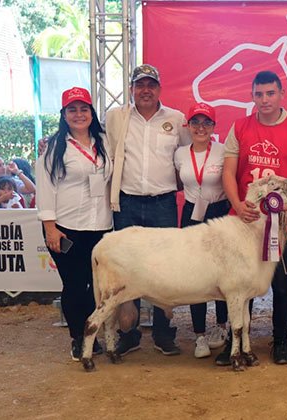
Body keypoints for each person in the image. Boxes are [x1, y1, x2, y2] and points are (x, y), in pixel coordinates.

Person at [221, 70, 287, 365]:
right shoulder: (240, 127)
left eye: (270, 93)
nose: (264, 99)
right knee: (239, 284)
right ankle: (235, 340)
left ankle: (281, 339)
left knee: (281, 284)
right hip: (247, 220)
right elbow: (228, 171)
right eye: (259, 94)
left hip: (283, 223)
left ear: (281, 94)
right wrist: (238, 204)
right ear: (252, 95)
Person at [105, 64, 191, 357]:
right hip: (126, 202)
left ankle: (164, 334)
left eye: (150, 85)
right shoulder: (116, 117)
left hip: (163, 203)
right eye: (139, 85)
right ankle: (128, 334)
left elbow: (189, 158)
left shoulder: (177, 119)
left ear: (159, 90)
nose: (145, 90)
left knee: (164, 268)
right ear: (131, 89)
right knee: (127, 268)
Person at [36, 87, 112, 361]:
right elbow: (45, 188)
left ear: (91, 112)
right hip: (65, 228)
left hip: (100, 227)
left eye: (84, 109)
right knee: (74, 285)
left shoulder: (104, 142)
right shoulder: (54, 147)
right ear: (64, 114)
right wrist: (50, 228)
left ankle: (91, 333)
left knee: (96, 285)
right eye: (72, 109)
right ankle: (78, 338)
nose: (79, 114)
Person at [174, 102, 230, 358]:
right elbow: (176, 180)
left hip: (218, 214)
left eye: (206, 123)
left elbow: (233, 181)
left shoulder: (223, 151)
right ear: (188, 126)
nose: (201, 128)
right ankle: (199, 335)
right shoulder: (180, 154)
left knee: (220, 273)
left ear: (214, 127)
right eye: (195, 122)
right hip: (191, 216)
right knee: (196, 275)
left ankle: (221, 327)